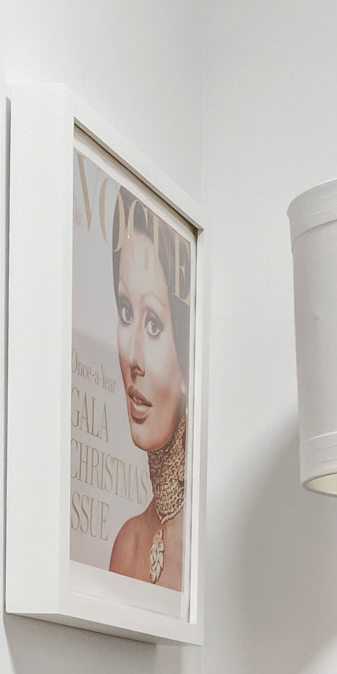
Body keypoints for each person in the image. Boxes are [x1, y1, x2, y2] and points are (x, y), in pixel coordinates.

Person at [104, 187, 193, 588]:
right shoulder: (128, 545)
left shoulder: (201, 544)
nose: (133, 357)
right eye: (126, 311)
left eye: (154, 324)